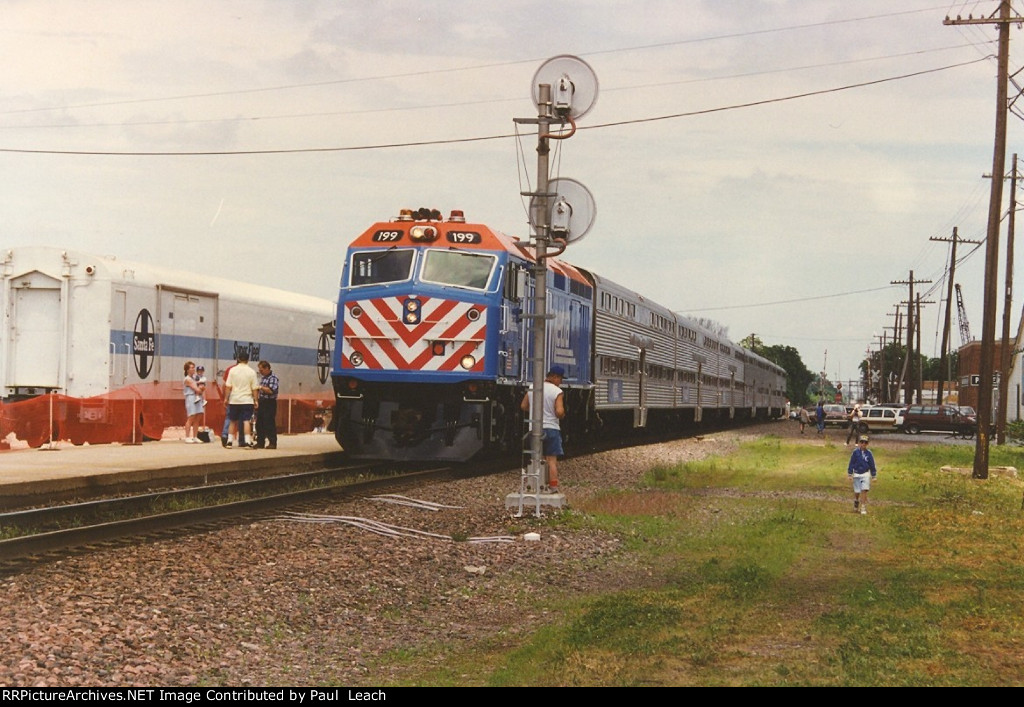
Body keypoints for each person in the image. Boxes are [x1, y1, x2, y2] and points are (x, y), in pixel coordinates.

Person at [520, 365, 566, 493]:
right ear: (555, 377)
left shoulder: (532, 387)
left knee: (536, 458)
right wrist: (562, 415)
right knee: (551, 460)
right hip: (551, 429)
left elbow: (523, 406)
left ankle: (534, 485)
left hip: (534, 428)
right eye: (560, 379)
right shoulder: (557, 392)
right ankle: (553, 487)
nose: (560, 382)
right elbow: (559, 411)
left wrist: (536, 412)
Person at [223, 350, 259, 448]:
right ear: (248, 360)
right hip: (247, 400)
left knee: (232, 421)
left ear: (238, 359)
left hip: (234, 399)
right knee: (246, 421)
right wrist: (256, 400)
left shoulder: (232, 370)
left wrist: (226, 398)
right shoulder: (251, 372)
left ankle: (229, 442)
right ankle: (247, 442)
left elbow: (228, 386)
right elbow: (254, 388)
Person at [847, 434, 878, 515]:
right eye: (862, 442)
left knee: (864, 490)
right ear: (859, 443)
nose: (863, 444)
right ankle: (856, 501)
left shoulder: (869, 453)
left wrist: (873, 475)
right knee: (857, 491)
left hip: (865, 473)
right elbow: (851, 463)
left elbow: (872, 464)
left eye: (865, 443)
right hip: (857, 473)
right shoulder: (855, 452)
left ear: (867, 444)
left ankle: (863, 506)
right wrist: (850, 473)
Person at [255, 360, 279, 449]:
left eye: (261, 370)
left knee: (269, 423)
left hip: (270, 403)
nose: (260, 372)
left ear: (267, 368)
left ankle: (272, 442)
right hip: (262, 402)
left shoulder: (273, 378)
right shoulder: (263, 378)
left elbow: (271, 390)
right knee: (259, 423)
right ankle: (260, 442)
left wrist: (261, 387)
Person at [182, 361, 203, 443]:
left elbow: (201, 386)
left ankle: (195, 436)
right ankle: (187, 437)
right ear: (187, 370)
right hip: (190, 397)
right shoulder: (187, 379)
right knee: (191, 417)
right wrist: (200, 388)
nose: (193, 369)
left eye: (194, 367)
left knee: (198, 416)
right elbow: (197, 389)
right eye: (191, 367)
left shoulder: (195, 378)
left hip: (197, 398)